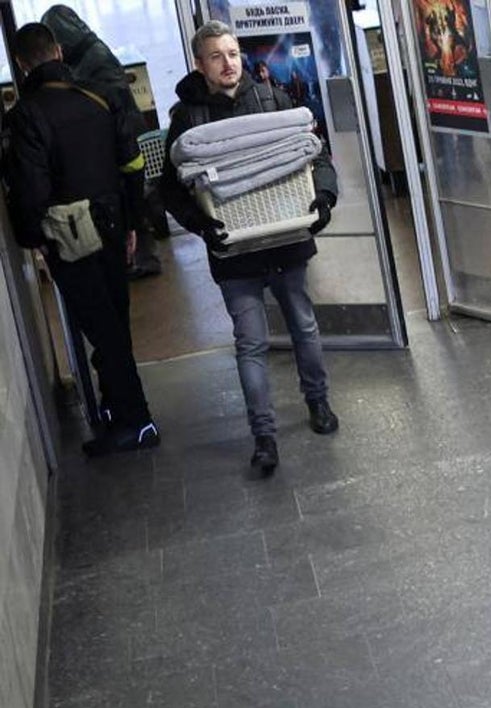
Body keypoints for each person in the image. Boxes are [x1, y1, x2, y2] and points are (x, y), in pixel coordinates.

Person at [159, 20, 339, 476]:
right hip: (235, 252)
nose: (228, 63)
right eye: (216, 56)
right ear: (200, 65)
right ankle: (264, 437)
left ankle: (318, 403)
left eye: (233, 53)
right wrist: (200, 225)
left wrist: (324, 196)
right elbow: (171, 190)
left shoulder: (271, 98)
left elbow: (313, 152)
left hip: (285, 241)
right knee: (251, 344)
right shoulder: (186, 120)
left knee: (305, 327)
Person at [5, 22, 159, 456]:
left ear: (20, 62)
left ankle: (138, 422)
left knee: (102, 330)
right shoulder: (99, 97)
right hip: (113, 224)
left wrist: (32, 237)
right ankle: (115, 406)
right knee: (114, 322)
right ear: (58, 50)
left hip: (69, 238)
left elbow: (31, 190)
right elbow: (131, 164)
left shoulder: (26, 116)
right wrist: (132, 223)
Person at [41, 4, 162, 279]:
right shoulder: (90, 52)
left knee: (136, 198)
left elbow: (107, 99)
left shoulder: (92, 58)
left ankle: (145, 258)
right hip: (124, 133)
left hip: (124, 137)